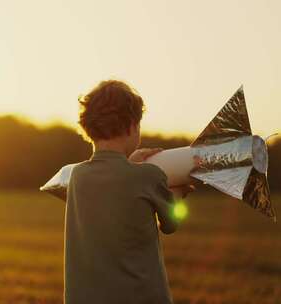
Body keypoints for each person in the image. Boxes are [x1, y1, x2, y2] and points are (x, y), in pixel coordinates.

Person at [64, 80, 197, 304]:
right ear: (131, 126)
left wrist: (129, 163)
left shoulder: (77, 176)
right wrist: (179, 191)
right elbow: (171, 223)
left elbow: (116, 186)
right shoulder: (148, 176)